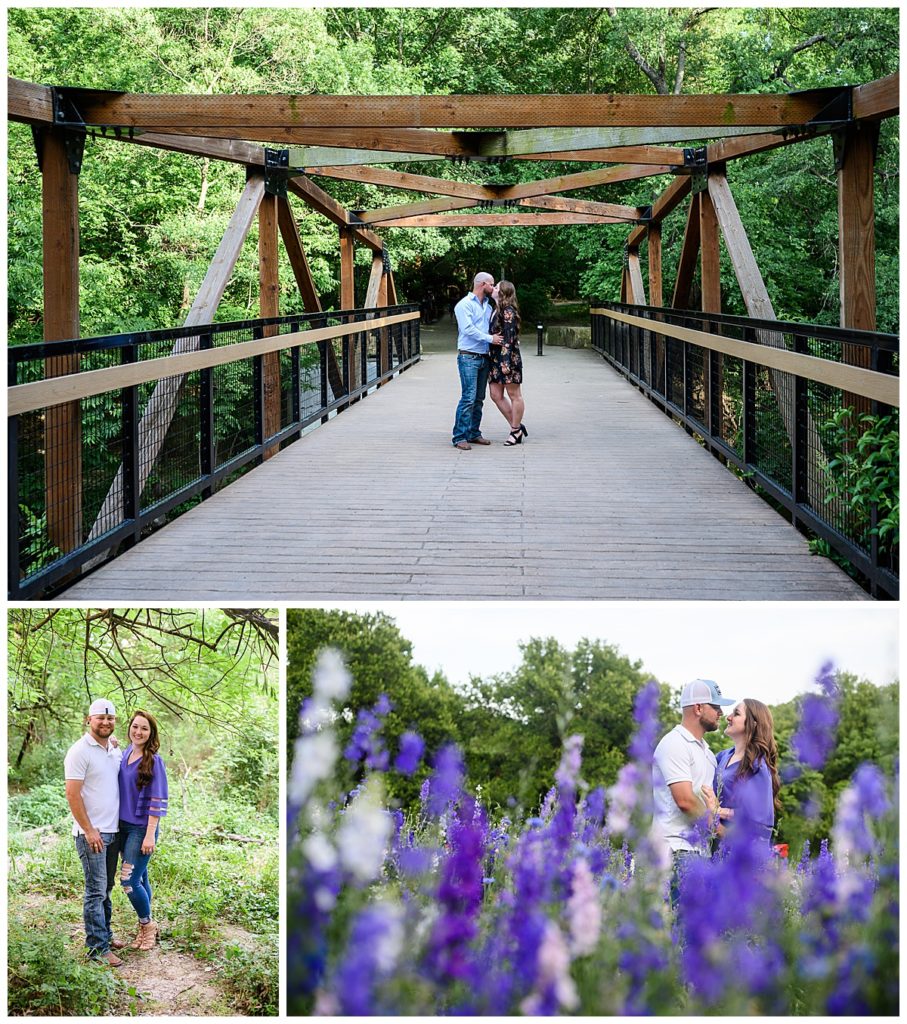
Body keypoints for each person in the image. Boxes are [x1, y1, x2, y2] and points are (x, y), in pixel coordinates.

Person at [652, 678, 736, 904]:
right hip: (675, 850)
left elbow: (710, 804)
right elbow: (686, 802)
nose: (721, 712)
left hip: (699, 854)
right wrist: (723, 833)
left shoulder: (708, 754)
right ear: (698, 708)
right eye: (715, 706)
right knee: (679, 931)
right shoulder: (674, 743)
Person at [64, 698, 125, 966]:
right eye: (100, 717)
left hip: (113, 832)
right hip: (92, 835)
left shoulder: (113, 750)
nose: (105, 722)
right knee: (95, 891)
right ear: (88, 720)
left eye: (110, 718)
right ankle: (97, 949)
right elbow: (72, 794)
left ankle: (106, 935)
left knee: (107, 888)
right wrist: (89, 830)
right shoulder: (79, 751)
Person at [118, 709, 169, 950]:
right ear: (130, 728)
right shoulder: (124, 753)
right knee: (141, 876)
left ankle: (147, 924)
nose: (138, 731)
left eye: (144, 728)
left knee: (128, 880)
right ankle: (147, 926)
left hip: (141, 829)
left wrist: (150, 834)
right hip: (122, 827)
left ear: (151, 734)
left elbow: (157, 800)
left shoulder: (154, 761)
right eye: (135, 726)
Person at [702, 699, 780, 848]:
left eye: (736, 714)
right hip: (717, 846)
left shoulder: (758, 766)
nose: (728, 717)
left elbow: (759, 817)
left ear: (753, 723)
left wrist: (719, 811)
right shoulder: (722, 756)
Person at [451, 272, 503, 450]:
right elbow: (467, 330)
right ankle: (459, 436)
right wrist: (491, 339)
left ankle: (473, 432)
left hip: (484, 357)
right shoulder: (464, 305)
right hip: (468, 356)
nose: (493, 288)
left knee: (479, 398)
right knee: (468, 397)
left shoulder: (488, 306)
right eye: (492, 284)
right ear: (482, 284)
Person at [487, 280, 528, 446]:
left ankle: (515, 429)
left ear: (503, 292)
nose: (494, 288)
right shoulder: (496, 309)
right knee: (495, 395)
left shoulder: (508, 311)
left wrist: (505, 363)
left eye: (496, 287)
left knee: (514, 395)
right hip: (495, 357)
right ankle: (517, 427)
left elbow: (509, 340)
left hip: (507, 358)